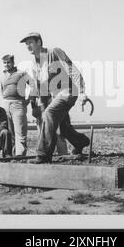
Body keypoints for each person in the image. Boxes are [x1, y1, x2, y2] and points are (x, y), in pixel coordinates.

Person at [20, 32, 90, 164]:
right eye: (26, 44)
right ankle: (81, 142)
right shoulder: (34, 64)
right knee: (63, 128)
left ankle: (43, 155)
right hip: (53, 97)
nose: (28, 46)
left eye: (30, 42)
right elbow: (39, 87)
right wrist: (35, 106)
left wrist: (81, 91)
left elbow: (72, 70)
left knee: (49, 114)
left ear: (39, 42)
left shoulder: (54, 52)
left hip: (68, 92)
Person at [0, 54, 33, 156]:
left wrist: (28, 99)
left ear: (13, 63)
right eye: (4, 63)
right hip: (5, 104)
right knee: (9, 132)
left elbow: (33, 84)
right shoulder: (2, 75)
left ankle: (20, 156)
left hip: (18, 104)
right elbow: (2, 90)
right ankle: (10, 155)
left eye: (8, 62)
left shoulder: (21, 73)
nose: (6, 65)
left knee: (20, 132)